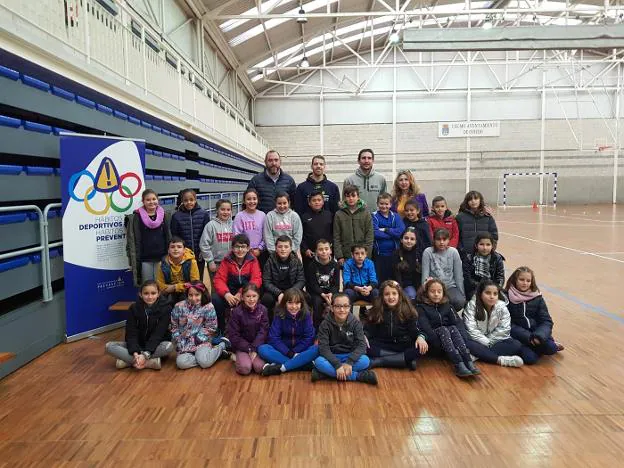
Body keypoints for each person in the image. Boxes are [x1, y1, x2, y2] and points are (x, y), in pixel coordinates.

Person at [416, 279, 480, 377]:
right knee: (444, 329)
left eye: (439, 291)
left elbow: (458, 322)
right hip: (434, 344)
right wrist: (438, 343)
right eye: (432, 291)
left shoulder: (447, 306)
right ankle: (458, 364)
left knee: (453, 328)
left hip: (449, 343)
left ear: (443, 292)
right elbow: (426, 328)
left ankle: (468, 361)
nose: (436, 294)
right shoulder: (422, 308)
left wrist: (464, 338)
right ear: (426, 293)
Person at [105, 280, 173, 370]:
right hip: (138, 344)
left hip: (156, 346)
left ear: (158, 294)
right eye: (146, 293)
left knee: (168, 346)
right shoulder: (133, 308)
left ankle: (129, 361)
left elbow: (158, 334)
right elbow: (131, 332)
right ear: (140, 294)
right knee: (109, 346)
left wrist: (145, 354)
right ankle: (149, 363)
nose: (150, 297)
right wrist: (135, 352)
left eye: (153, 293)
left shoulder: (166, 308)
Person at [312, 293, 378, 385]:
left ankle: (326, 374)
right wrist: (337, 365)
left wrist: (349, 363)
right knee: (319, 362)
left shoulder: (356, 323)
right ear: (332, 308)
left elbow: (362, 345)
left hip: (349, 355)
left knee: (365, 360)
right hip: (332, 356)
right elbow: (323, 348)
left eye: (346, 306)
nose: (342, 310)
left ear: (349, 307)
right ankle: (357, 376)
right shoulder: (325, 324)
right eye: (338, 306)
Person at [364, 280, 427, 370]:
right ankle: (404, 360)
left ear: (400, 295)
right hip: (382, 344)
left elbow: (416, 329)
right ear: (382, 296)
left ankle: (379, 361)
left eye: (394, 293)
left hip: (402, 344)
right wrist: (364, 335)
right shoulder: (376, 310)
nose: (391, 297)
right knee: (363, 346)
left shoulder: (408, 310)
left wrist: (421, 337)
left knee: (421, 348)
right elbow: (368, 329)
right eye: (387, 294)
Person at [505, 266, 563, 365]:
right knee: (530, 359)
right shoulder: (505, 296)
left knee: (552, 348)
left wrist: (539, 336)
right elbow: (506, 324)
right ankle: (537, 347)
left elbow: (546, 321)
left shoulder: (537, 297)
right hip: (518, 336)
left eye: (528, 281)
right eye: (521, 279)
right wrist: (528, 337)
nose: (525, 283)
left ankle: (544, 344)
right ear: (515, 280)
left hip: (536, 333)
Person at [463, 280, 524, 367]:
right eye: (488, 293)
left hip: (494, 341)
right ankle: (501, 360)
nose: (492, 297)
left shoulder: (502, 307)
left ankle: (477, 356)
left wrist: (489, 342)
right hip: (476, 340)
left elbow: (504, 329)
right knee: (467, 343)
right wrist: (485, 342)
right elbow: (471, 329)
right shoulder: (472, 305)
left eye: (495, 294)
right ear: (480, 293)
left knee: (516, 345)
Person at [258, 288, 318, 376]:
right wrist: (290, 353)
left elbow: (309, 338)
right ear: (284, 303)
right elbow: (274, 338)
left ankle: (282, 367)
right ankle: (303, 365)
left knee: (317, 349)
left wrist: (295, 352)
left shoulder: (306, 315)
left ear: (301, 304)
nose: (294, 307)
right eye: (290, 303)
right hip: (283, 351)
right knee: (262, 349)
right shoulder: (279, 314)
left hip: (301, 351)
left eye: (297, 303)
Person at [171, 282, 231, 370]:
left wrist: (197, 339)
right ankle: (210, 356)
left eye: (197, 295)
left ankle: (221, 346)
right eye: (190, 295)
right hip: (184, 343)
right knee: (181, 363)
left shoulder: (209, 307)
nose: (193, 298)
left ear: (202, 294)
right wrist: (178, 340)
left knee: (204, 363)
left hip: (202, 342)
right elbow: (174, 326)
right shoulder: (178, 306)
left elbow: (211, 327)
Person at [212, 234, 262, 332]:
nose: (240, 250)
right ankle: (221, 329)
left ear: (248, 248)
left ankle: (250, 328)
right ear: (232, 248)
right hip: (230, 293)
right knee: (215, 299)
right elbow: (219, 279)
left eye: (243, 247)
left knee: (258, 296)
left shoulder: (253, 260)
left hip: (246, 292)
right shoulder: (227, 260)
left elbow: (256, 279)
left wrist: (242, 293)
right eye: (237, 247)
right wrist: (226, 294)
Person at [125, 189, 172, 286]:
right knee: (147, 286)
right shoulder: (136, 217)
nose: (151, 202)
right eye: (148, 200)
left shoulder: (165, 216)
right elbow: (132, 240)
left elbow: (169, 236)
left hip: (162, 257)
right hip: (145, 258)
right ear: (143, 202)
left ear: (158, 200)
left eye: (154, 199)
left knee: (161, 285)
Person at [226, 284, 270, 375]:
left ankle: (247, 359)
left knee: (259, 367)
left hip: (257, 345)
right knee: (245, 368)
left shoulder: (263, 310)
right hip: (242, 346)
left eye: (254, 296)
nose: (251, 299)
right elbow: (234, 335)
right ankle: (236, 357)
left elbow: (264, 331)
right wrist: (249, 349)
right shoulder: (236, 312)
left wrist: (254, 348)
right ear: (242, 297)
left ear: (258, 296)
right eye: (248, 296)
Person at [421, 228, 466, 311]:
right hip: (434, 287)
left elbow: (458, 275)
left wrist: (462, 294)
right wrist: (424, 292)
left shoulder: (453, 252)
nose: (441, 242)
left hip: (450, 286)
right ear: (434, 240)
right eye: (438, 239)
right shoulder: (428, 252)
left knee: (459, 301)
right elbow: (425, 276)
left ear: (448, 240)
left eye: (444, 239)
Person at [261, 236, 306, 317]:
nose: (283, 249)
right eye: (280, 246)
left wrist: (291, 293)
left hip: (292, 289)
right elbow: (266, 282)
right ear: (276, 248)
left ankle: (300, 322)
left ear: (290, 248)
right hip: (275, 291)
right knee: (266, 299)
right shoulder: (270, 261)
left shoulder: (296, 260)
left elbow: (301, 280)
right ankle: (269, 324)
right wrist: (279, 293)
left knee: (307, 298)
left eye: (286, 246)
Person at [170, 188, 211, 278]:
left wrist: (203, 251)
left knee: (198, 279)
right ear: (182, 201)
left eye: (191, 200)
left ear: (195, 200)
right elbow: (175, 236)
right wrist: (181, 251)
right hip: (183, 255)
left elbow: (207, 235)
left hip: (199, 254)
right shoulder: (176, 216)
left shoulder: (204, 214)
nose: (189, 202)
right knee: (185, 278)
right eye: (186, 200)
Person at [333, 185, 373, 265]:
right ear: (344, 198)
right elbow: (336, 237)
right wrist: (339, 256)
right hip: (346, 255)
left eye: (353, 195)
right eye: (348, 196)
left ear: (358, 197)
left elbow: (369, 236)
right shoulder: (339, 214)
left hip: (362, 255)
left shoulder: (365, 213)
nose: (351, 198)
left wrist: (366, 255)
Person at [305, 238, 340, 328]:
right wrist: (322, 294)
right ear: (316, 251)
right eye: (320, 249)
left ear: (330, 251)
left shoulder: (335, 265)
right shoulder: (312, 265)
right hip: (317, 292)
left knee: (338, 301)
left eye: (326, 249)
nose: (324, 251)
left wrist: (331, 293)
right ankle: (317, 328)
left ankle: (337, 326)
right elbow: (312, 284)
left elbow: (336, 284)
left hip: (331, 292)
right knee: (317, 302)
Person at [462, 232, 505, 301]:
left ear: (492, 246)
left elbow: (500, 277)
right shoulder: (469, 258)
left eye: (488, 245)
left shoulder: (497, 258)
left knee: (503, 300)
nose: (485, 248)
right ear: (476, 245)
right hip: (475, 288)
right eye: (481, 244)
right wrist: (482, 288)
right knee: (477, 299)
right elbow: (468, 279)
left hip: (493, 288)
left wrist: (493, 289)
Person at [372, 192, 405, 284]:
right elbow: (375, 233)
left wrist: (386, 230)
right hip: (380, 255)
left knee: (395, 281)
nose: (384, 206)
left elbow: (400, 232)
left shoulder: (396, 216)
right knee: (380, 280)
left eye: (386, 204)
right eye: (381, 203)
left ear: (390, 204)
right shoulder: (374, 216)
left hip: (394, 254)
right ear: (377, 204)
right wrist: (392, 233)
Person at [155, 236, 200, 302]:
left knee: (185, 298)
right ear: (168, 250)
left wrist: (175, 287)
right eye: (172, 247)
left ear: (184, 250)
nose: (175, 249)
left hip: (186, 291)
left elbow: (194, 283)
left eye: (179, 247)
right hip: (169, 292)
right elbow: (160, 286)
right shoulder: (162, 264)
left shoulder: (192, 262)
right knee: (162, 299)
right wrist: (173, 288)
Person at [199, 199, 233, 278]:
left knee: (230, 287)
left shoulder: (233, 224)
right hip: (215, 263)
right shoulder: (210, 225)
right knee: (216, 288)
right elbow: (204, 244)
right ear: (217, 210)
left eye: (228, 210)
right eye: (222, 209)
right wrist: (210, 261)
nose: (225, 212)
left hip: (230, 262)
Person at [300, 190, 333, 266]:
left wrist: (331, 247)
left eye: (319, 200)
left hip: (326, 253)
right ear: (309, 203)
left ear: (323, 202)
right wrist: (305, 249)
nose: (317, 202)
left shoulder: (329, 215)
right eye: (314, 200)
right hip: (310, 254)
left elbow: (333, 233)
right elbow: (301, 235)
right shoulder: (304, 217)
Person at [233, 188, 266, 261]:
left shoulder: (262, 215)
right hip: (243, 253)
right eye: (248, 199)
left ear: (258, 200)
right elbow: (237, 235)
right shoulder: (239, 216)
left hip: (260, 253)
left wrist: (260, 249)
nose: (252, 201)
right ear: (244, 201)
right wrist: (247, 249)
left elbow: (266, 234)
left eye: (254, 199)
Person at [391, 227, 422, 301]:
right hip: (402, 284)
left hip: (415, 285)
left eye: (412, 239)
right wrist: (400, 290)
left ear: (416, 241)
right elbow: (396, 274)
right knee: (411, 296)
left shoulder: (419, 254)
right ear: (401, 240)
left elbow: (419, 274)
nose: (409, 241)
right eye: (406, 238)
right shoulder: (396, 254)